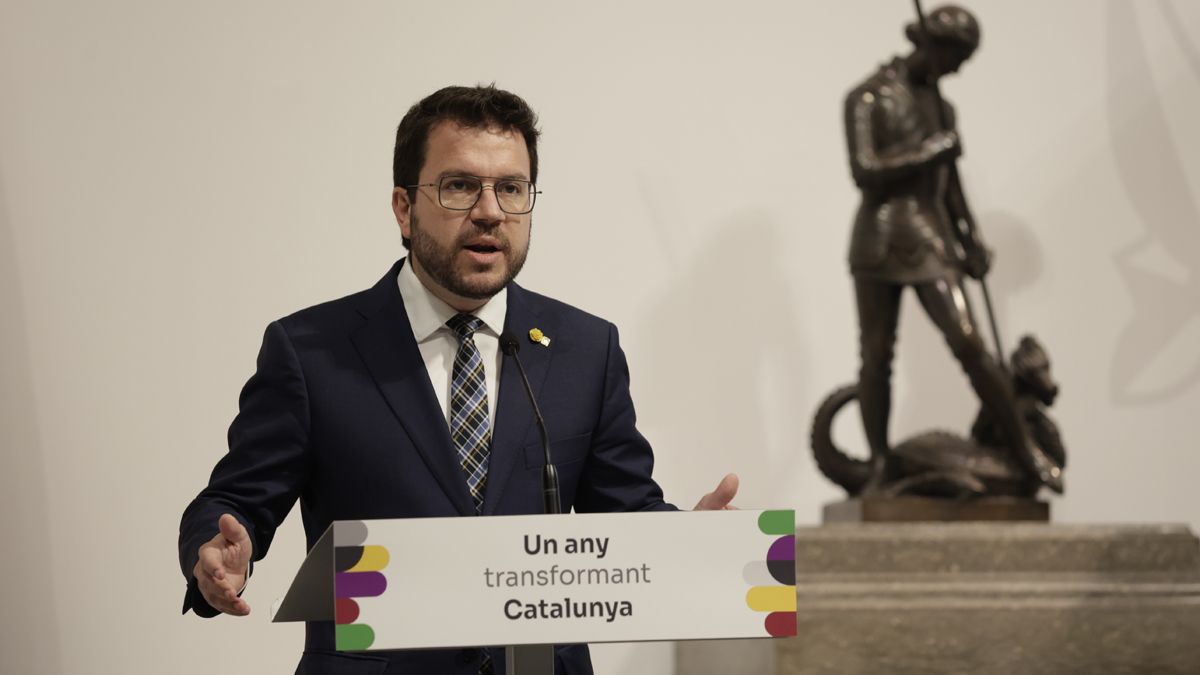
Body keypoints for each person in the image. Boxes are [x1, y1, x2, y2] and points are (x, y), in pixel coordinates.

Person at [178, 84, 738, 674]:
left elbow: (625, 512)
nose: (490, 211)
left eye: (511, 189)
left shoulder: (584, 349)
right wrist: (214, 552)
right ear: (404, 207)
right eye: (460, 185)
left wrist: (690, 546)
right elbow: (233, 500)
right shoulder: (313, 352)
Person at [843, 5, 1062, 494]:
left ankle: (1025, 449)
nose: (958, 69)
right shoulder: (866, 97)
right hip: (879, 237)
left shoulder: (942, 106)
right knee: (877, 355)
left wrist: (970, 240)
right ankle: (879, 464)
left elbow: (950, 185)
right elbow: (865, 171)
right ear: (932, 45)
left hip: (929, 234)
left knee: (969, 341)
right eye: (956, 57)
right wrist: (930, 151)